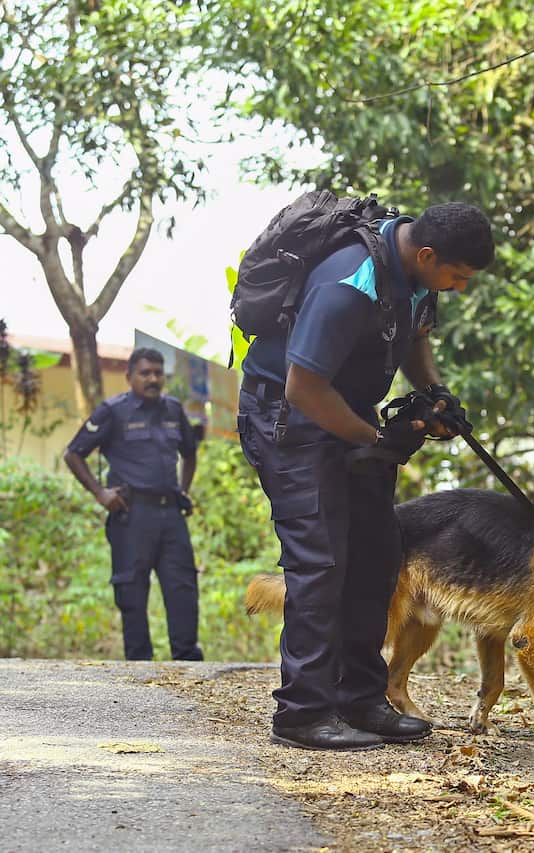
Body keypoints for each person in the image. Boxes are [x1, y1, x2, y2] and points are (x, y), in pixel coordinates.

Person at [237, 201, 495, 751]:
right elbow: (302, 389)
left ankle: (361, 698)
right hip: (291, 421)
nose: (459, 288)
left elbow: (416, 335)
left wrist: (434, 395)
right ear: (426, 255)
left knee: (378, 553)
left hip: (347, 415)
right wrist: (375, 440)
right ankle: (303, 712)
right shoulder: (348, 283)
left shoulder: (416, 277)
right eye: (457, 276)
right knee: (320, 561)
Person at [64, 347, 203, 662]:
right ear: (129, 377)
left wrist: (184, 489)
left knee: (182, 587)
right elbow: (73, 454)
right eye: (145, 373)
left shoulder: (174, 410)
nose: (153, 379)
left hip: (171, 514)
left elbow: (190, 452)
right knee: (132, 592)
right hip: (131, 515)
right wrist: (100, 493)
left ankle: (188, 665)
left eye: (158, 372)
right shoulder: (112, 411)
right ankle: (140, 671)